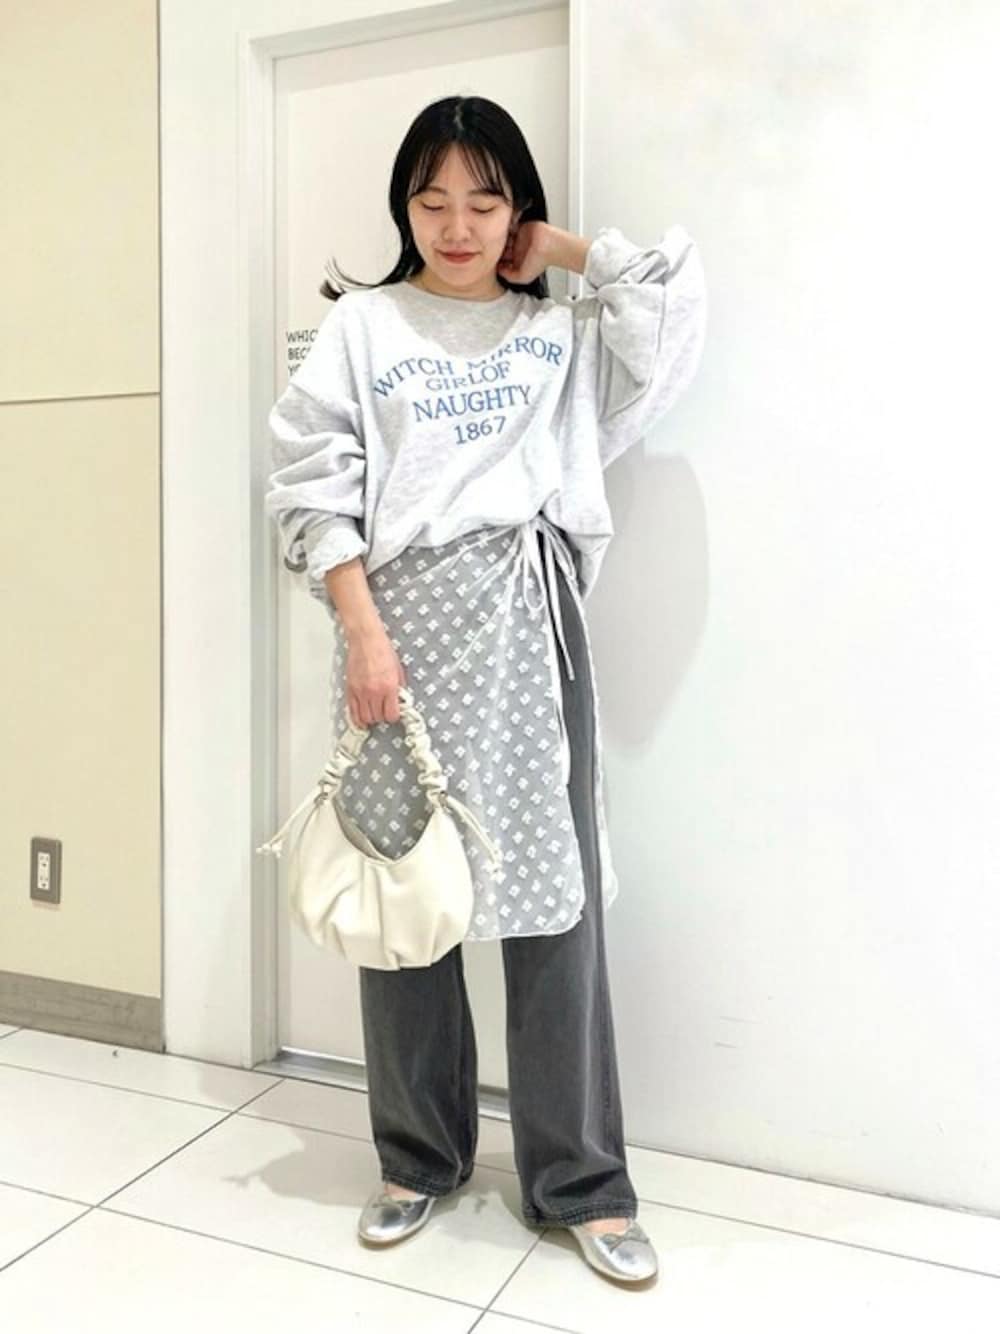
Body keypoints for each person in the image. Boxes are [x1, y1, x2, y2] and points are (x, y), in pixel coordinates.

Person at [264, 94, 707, 1284]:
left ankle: (582, 1181)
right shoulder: (363, 325)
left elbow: (670, 310)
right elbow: (309, 480)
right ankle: (418, 1156)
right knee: (403, 897)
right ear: (402, 209)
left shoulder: (555, 332)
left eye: (485, 200)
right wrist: (362, 633)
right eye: (431, 201)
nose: (456, 226)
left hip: (528, 626)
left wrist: (560, 251)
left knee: (556, 907)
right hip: (395, 633)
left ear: (517, 209)